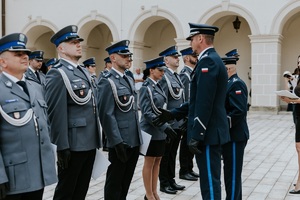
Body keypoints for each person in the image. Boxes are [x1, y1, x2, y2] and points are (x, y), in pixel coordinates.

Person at [153, 23, 230, 200]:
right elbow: (197, 99)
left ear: (200, 39)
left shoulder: (208, 61)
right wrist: (174, 113)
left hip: (209, 133)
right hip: (211, 131)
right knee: (209, 180)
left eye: (192, 39)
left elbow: (205, 102)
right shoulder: (210, 59)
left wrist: (198, 133)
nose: (191, 43)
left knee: (210, 182)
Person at [45, 25, 102, 200]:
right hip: (73, 144)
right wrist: (61, 146)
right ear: (61, 48)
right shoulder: (57, 73)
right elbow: (56, 113)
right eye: (73, 42)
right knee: (66, 191)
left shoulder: (82, 71)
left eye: (78, 42)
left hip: (89, 141)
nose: (78, 45)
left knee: (81, 190)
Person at [0, 33, 57, 200]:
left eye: (25, 53)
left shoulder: (34, 87)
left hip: (37, 173)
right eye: (17, 54)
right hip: (13, 176)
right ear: (2, 61)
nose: (25, 56)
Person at [97, 40, 142, 200]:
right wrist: (116, 142)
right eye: (124, 56)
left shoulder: (128, 79)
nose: (129, 59)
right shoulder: (106, 81)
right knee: (115, 181)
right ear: (113, 58)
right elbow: (106, 114)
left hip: (133, 139)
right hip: (120, 141)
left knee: (126, 181)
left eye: (129, 56)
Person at [139, 56, 178, 200]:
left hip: (160, 130)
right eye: (160, 70)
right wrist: (164, 127)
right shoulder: (145, 88)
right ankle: (148, 194)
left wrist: (165, 127)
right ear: (151, 70)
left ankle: (154, 192)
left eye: (163, 70)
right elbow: (147, 112)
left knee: (158, 162)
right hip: (150, 130)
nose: (162, 72)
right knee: (149, 162)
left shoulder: (158, 85)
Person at [158, 45, 186, 194]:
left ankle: (171, 179)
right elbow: (163, 102)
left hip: (177, 124)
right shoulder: (164, 77)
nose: (177, 59)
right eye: (174, 57)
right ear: (166, 60)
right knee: (165, 155)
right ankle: (164, 182)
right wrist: (166, 124)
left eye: (178, 57)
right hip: (169, 124)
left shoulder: (175, 76)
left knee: (173, 153)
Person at [222, 55, 249, 200]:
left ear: (227, 68)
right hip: (231, 136)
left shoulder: (236, 84)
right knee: (230, 173)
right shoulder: (228, 83)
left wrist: (222, 126)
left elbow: (238, 111)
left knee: (232, 174)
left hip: (235, 136)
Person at [178, 47, 199, 181]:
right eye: (192, 55)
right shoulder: (184, 75)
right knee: (185, 144)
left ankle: (189, 168)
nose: (195, 57)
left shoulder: (192, 73)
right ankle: (184, 170)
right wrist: (185, 116)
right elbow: (185, 97)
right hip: (187, 115)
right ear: (186, 58)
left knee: (190, 142)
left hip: (192, 114)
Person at [280, 55, 300, 194]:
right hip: (298, 115)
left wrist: (291, 100)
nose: (299, 63)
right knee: (298, 148)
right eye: (298, 60)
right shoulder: (298, 78)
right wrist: (289, 99)